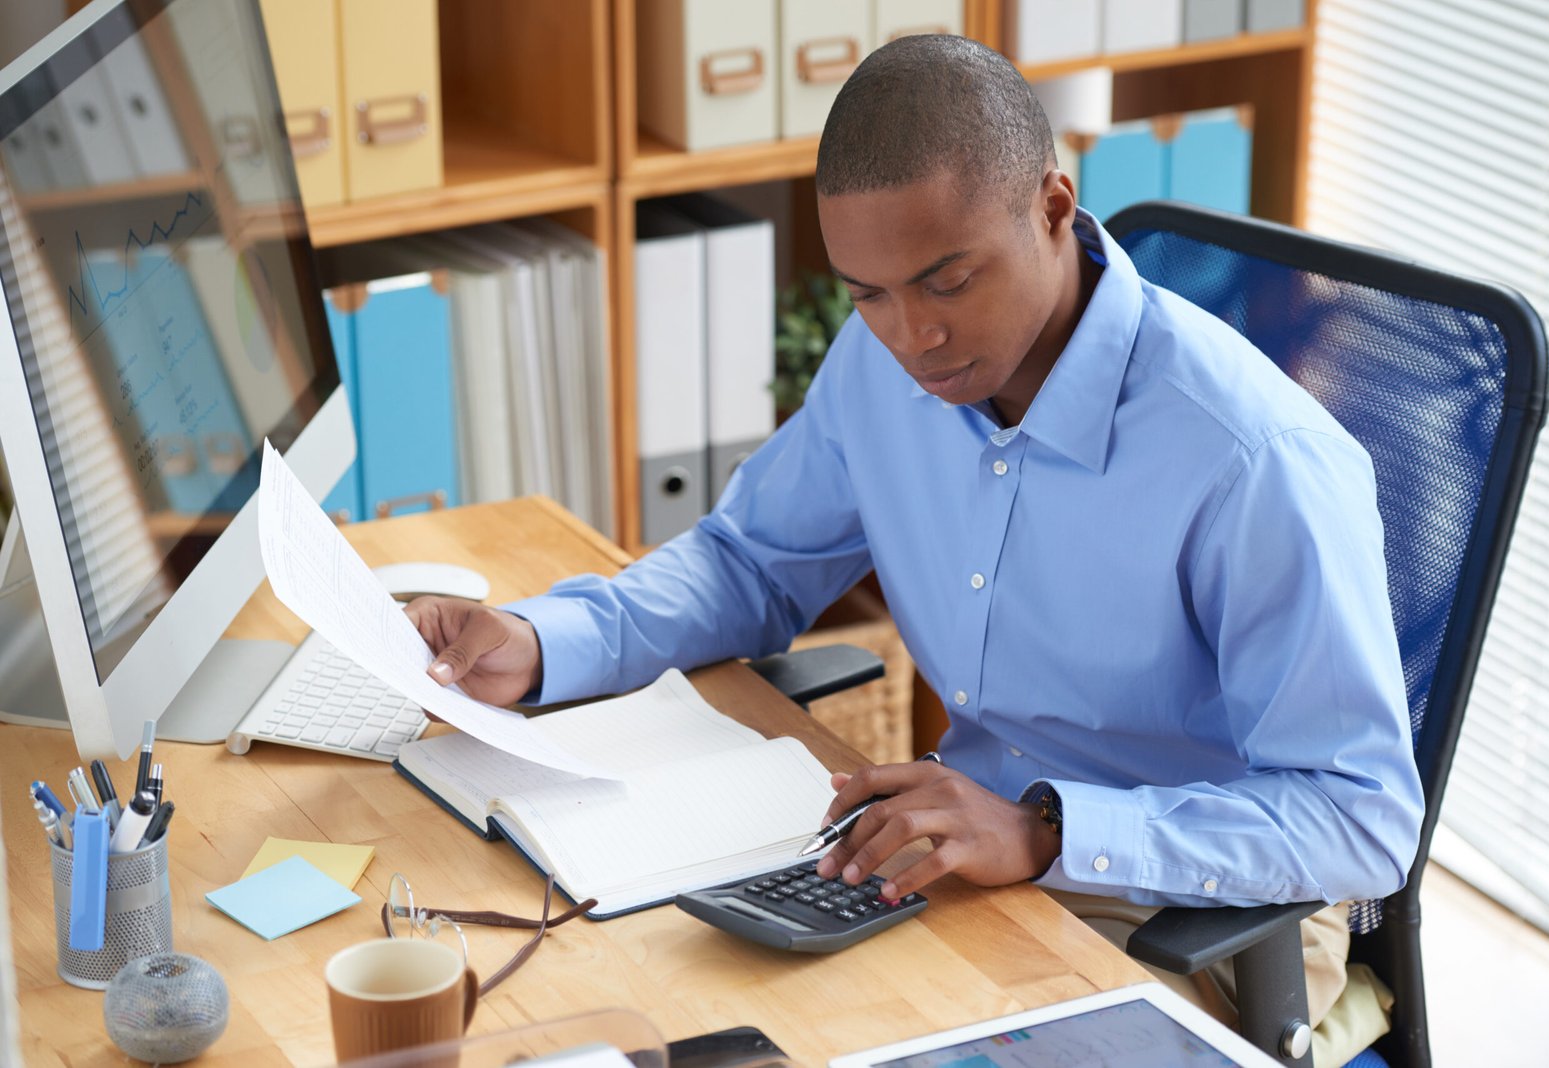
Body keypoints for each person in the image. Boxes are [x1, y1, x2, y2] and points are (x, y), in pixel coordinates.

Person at [406, 35, 1423, 1063]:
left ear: (1053, 208)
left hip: (1189, 920)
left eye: (947, 280)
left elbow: (1360, 820)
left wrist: (1050, 830)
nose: (911, 337)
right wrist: (541, 641)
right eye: (869, 293)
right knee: (622, 1010)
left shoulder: (1252, 460)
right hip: (956, 862)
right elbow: (751, 560)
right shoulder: (885, 361)